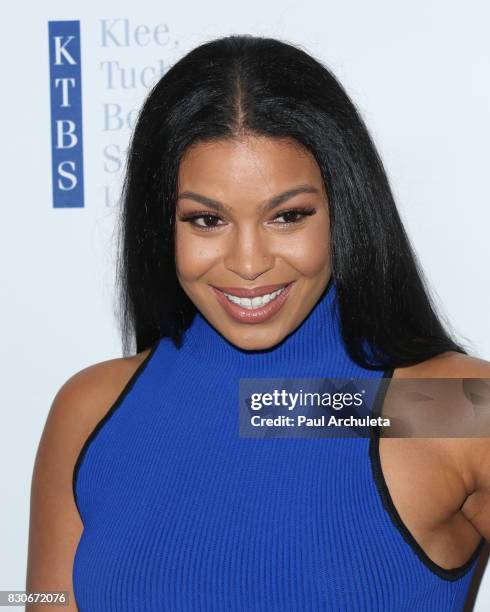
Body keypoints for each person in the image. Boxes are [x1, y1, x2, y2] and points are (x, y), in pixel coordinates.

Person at [26, 34, 490, 611]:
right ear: (160, 225)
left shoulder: (458, 406)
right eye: (206, 220)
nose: (249, 264)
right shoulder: (90, 408)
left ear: (343, 208)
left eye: (287, 216)